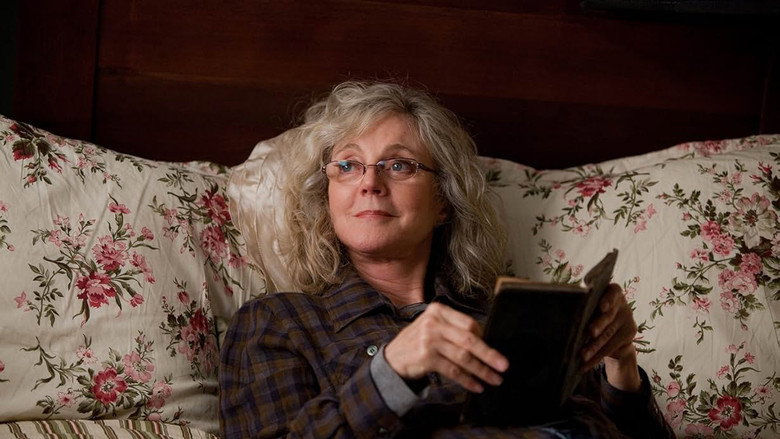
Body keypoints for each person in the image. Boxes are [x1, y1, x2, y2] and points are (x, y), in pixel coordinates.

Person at [219, 81, 675, 438]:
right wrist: (390, 372)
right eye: (348, 165)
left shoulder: (511, 314)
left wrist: (620, 366)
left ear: (443, 202)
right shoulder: (278, 323)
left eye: (399, 165)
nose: (370, 183)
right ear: (327, 198)